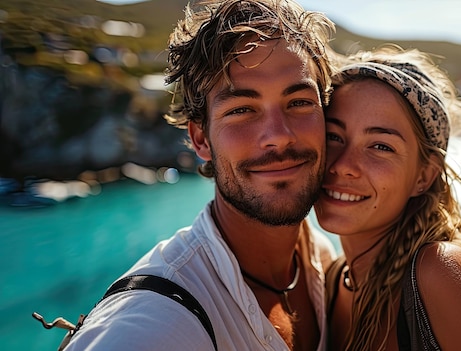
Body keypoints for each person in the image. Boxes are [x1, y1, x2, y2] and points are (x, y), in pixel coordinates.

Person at [64, 1, 337, 350]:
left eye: (299, 102)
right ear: (201, 139)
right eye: (241, 109)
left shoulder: (320, 259)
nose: (278, 135)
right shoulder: (153, 323)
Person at [315, 46, 461, 351]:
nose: (343, 165)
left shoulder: (439, 271)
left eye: (381, 147)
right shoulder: (332, 281)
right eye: (333, 136)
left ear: (424, 176)